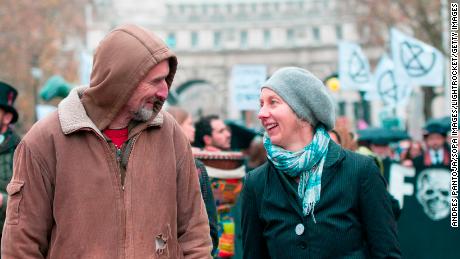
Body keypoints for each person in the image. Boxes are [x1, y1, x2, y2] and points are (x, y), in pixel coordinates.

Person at [1, 24, 212, 258]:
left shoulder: (170, 134)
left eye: (165, 80)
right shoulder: (45, 140)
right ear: (122, 81)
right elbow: (21, 245)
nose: (164, 92)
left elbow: (195, 235)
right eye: (155, 81)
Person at [241, 67, 401, 258]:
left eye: (273, 103)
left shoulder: (360, 171)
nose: (261, 113)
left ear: (303, 113)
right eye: (261, 104)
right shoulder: (256, 182)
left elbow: (386, 253)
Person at [167, 106, 219, 255]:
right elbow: (210, 226)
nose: (193, 129)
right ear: (176, 125)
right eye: (189, 124)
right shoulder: (196, 167)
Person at [0, 82, 21, 238]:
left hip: (6, 240)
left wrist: (2, 201)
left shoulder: (21, 152)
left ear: (7, 117)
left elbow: (31, 202)